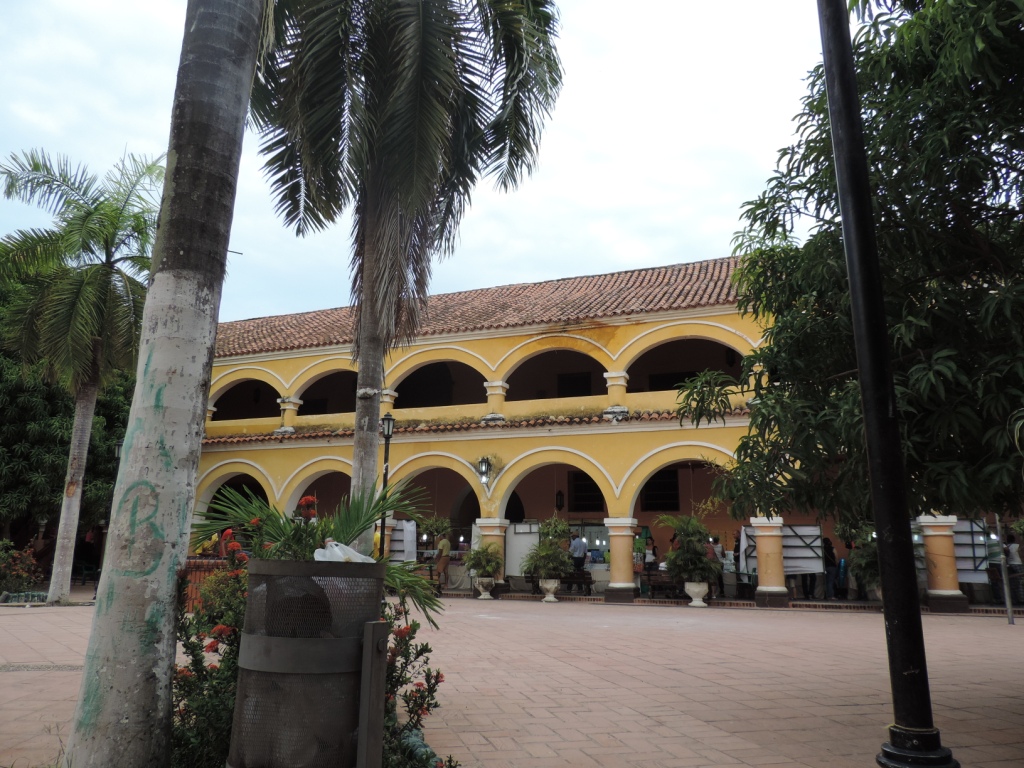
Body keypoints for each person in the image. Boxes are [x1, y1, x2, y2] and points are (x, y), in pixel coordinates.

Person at [1007, 533, 1023, 605]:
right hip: (1018, 564)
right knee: (1021, 581)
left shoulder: (1007, 546)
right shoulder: (1017, 546)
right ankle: (1022, 598)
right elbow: (1021, 555)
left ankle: (1015, 599)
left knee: (1012, 583)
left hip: (1010, 565)